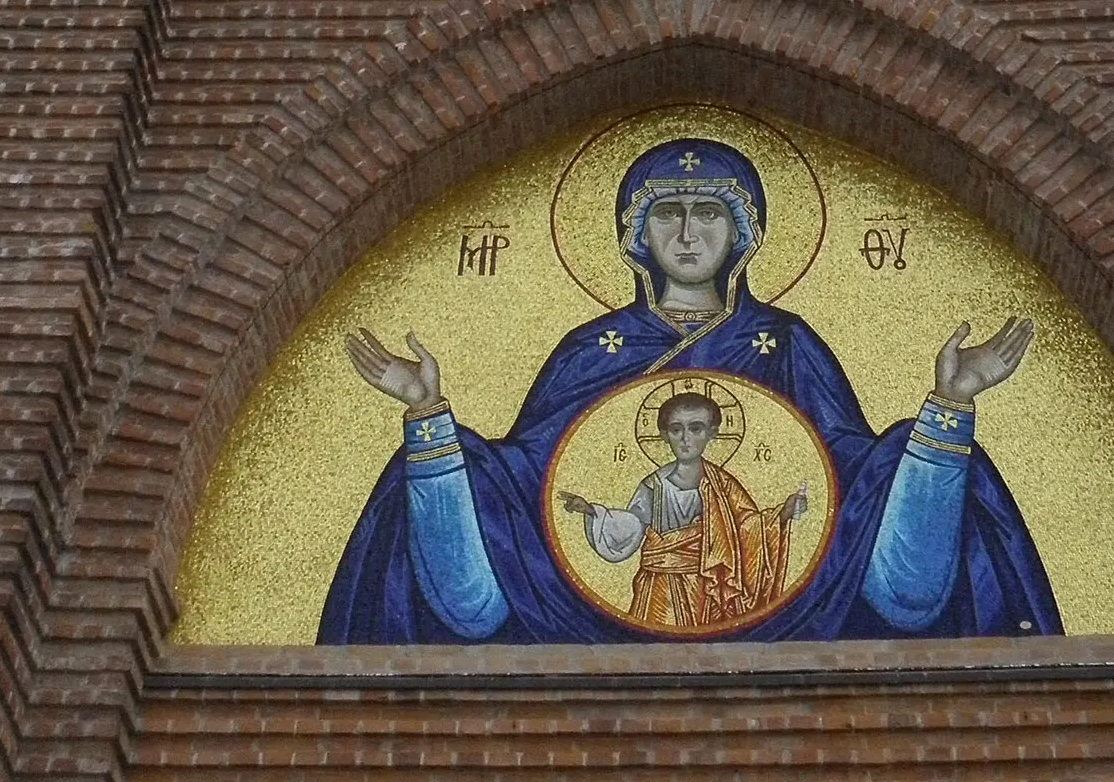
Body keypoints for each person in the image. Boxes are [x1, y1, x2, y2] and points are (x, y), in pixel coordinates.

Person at [319, 134, 1062, 644]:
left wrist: (948, 408)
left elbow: (848, 473)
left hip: (773, 583)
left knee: (910, 450)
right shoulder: (591, 349)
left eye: (708, 211)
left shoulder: (787, 340)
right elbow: (530, 477)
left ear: (743, 233)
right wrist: (429, 416)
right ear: (635, 235)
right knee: (468, 463)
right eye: (665, 213)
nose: (686, 231)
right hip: (606, 588)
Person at [559, 385, 808, 631]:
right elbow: (632, 524)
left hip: (707, 588)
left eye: (696, 428)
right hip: (659, 586)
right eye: (676, 429)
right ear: (664, 434)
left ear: (712, 433)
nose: (686, 439)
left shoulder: (723, 485)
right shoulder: (653, 485)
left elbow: (747, 526)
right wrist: (593, 512)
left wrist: (783, 513)